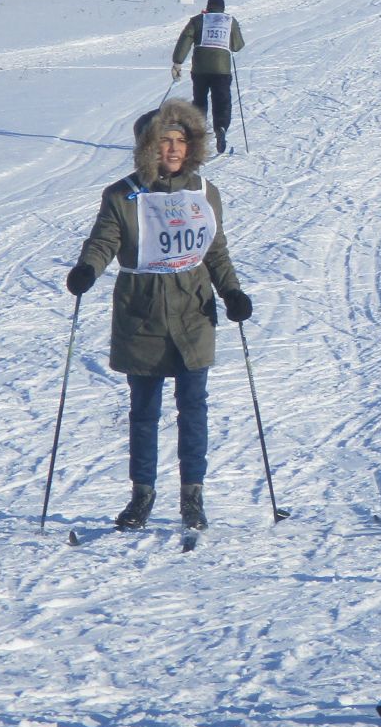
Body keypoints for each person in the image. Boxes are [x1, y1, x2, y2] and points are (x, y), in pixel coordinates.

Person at [66, 100, 252, 531]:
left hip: (192, 311)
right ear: (148, 147)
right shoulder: (123, 195)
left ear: (193, 147)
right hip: (142, 314)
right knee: (144, 411)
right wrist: (87, 269)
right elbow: (104, 241)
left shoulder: (204, 193)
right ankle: (142, 495)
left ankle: (193, 497)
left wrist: (232, 292)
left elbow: (215, 251)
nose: (173, 149)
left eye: (181, 141)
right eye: (164, 141)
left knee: (194, 408)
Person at [171, 0, 245, 155]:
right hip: (222, 71)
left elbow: (185, 39)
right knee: (222, 101)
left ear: (208, 6)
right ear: (222, 8)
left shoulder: (198, 20)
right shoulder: (229, 21)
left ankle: (198, 132)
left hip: (200, 70)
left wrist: (177, 62)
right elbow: (238, 45)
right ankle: (221, 127)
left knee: (200, 101)